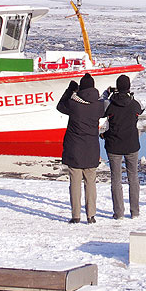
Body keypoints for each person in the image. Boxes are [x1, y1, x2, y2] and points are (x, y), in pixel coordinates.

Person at [57, 72, 105, 224]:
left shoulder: (73, 104)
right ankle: (91, 216)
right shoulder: (98, 106)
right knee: (90, 183)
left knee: (75, 183)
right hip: (91, 149)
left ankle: (75, 215)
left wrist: (69, 90)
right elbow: (105, 109)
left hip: (75, 150)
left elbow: (60, 106)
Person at [102, 74, 144, 220]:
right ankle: (135, 212)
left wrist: (106, 95)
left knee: (116, 179)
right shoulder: (135, 104)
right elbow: (141, 109)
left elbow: (102, 110)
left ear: (117, 87)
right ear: (129, 88)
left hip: (114, 145)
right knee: (133, 177)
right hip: (132, 145)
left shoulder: (110, 104)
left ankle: (119, 213)